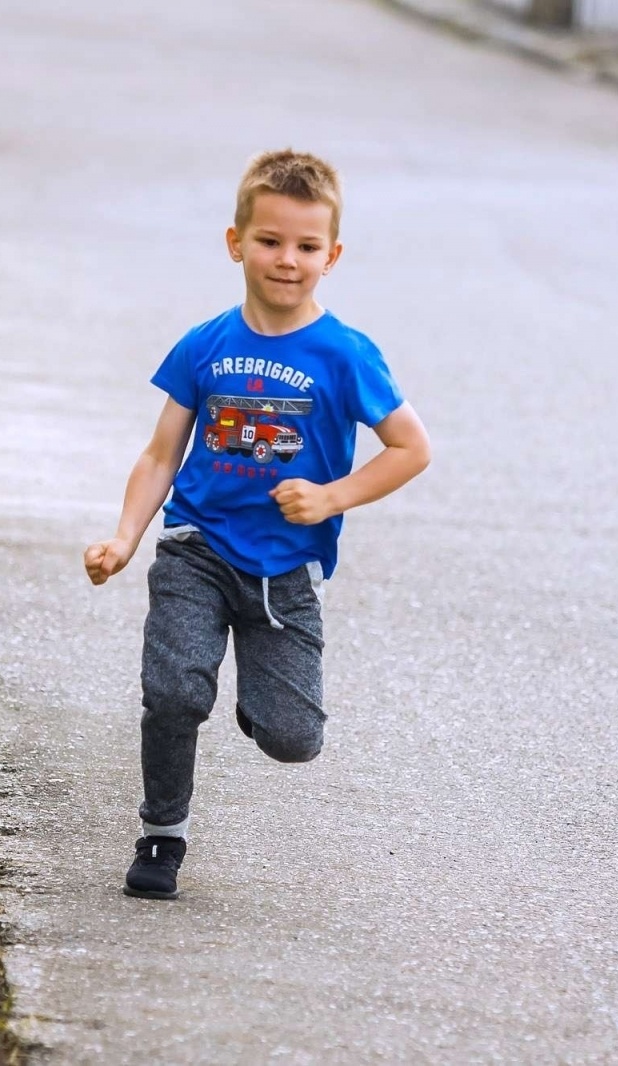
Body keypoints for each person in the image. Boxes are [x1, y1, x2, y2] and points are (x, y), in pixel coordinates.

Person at [83, 149, 432, 901]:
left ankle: (255, 695)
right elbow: (159, 454)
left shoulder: (344, 354)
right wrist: (124, 536)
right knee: (173, 693)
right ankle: (161, 835)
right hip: (196, 549)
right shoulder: (204, 344)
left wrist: (333, 498)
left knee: (292, 739)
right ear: (235, 241)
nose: (287, 259)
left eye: (307, 247)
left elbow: (412, 449)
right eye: (270, 241)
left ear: (331, 256)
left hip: (286, 573)